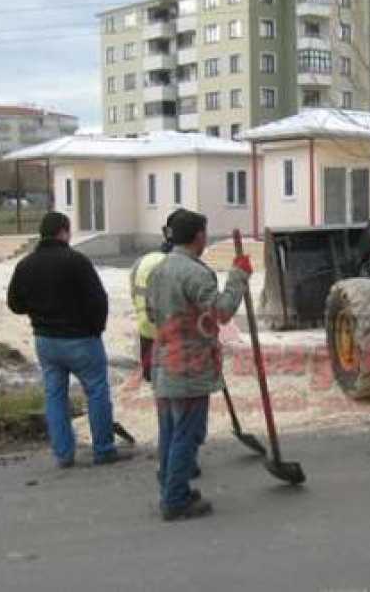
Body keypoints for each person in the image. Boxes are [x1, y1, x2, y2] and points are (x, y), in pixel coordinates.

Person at [147, 209, 252, 521]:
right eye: (205, 233)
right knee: (187, 433)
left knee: (170, 431)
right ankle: (175, 499)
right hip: (188, 366)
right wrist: (238, 277)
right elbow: (222, 311)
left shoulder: (159, 270)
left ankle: (171, 487)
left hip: (164, 361)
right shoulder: (194, 273)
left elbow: (152, 314)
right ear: (198, 236)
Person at [7, 212, 127, 468]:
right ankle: (103, 450)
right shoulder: (76, 262)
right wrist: (96, 328)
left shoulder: (25, 265)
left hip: (45, 340)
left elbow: (15, 304)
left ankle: (63, 454)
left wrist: (38, 312)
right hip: (81, 339)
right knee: (96, 391)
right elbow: (98, 299)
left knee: (55, 395)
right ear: (63, 231)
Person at [129, 216, 176, 382]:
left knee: (151, 378)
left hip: (146, 329)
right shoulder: (175, 265)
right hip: (171, 335)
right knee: (170, 382)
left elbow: (133, 293)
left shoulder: (142, 260)